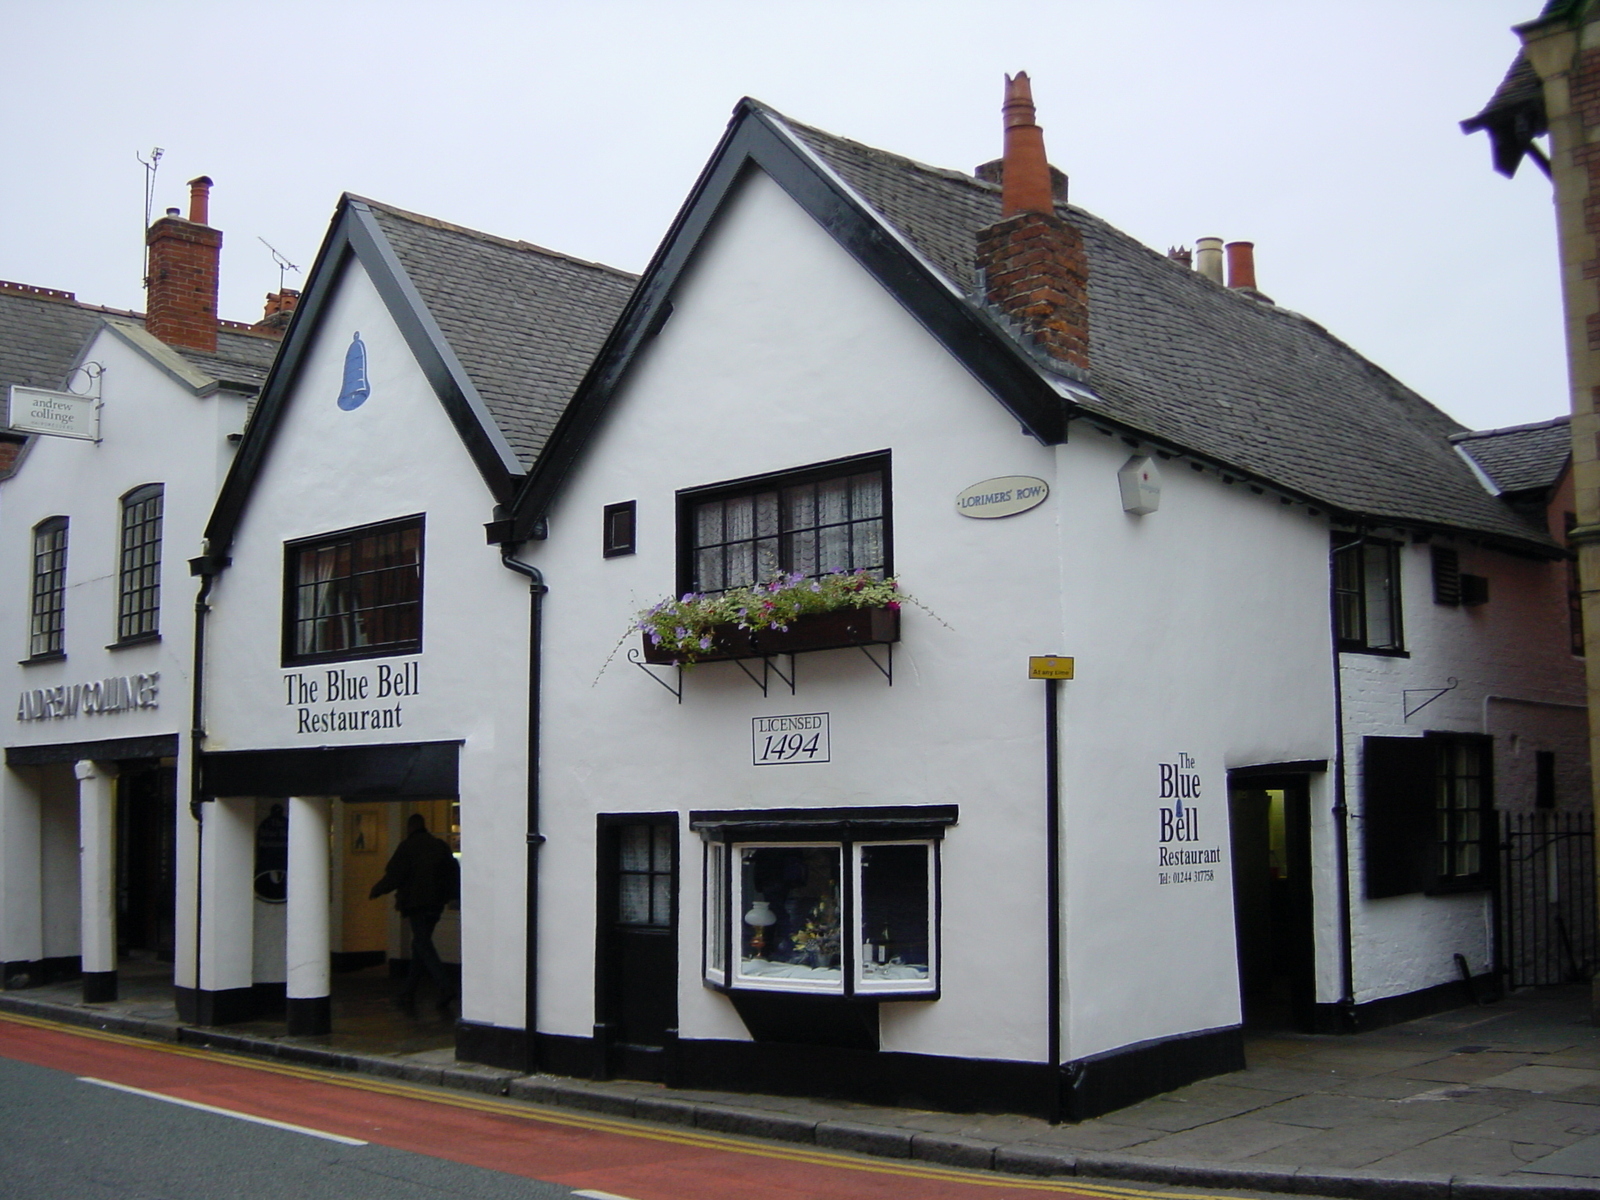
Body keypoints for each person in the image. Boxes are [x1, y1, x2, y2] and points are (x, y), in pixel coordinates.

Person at [370, 813, 460, 1016]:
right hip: (437, 903)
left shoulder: (407, 847)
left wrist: (377, 890)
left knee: (422, 944)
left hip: (416, 903)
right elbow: (452, 870)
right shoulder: (439, 845)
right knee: (420, 944)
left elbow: (394, 874)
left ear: (410, 827)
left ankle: (445, 986)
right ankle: (408, 990)